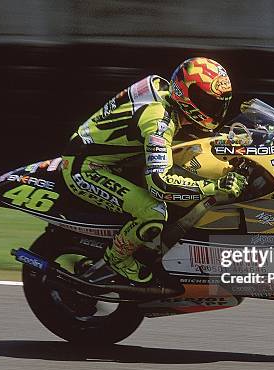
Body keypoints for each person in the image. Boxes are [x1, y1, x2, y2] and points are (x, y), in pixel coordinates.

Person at [60, 57, 246, 284]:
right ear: (186, 94)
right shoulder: (159, 121)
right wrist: (212, 188)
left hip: (118, 159)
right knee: (153, 211)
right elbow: (160, 183)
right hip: (87, 168)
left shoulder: (169, 99)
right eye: (208, 102)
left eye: (220, 103)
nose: (216, 110)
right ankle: (116, 260)